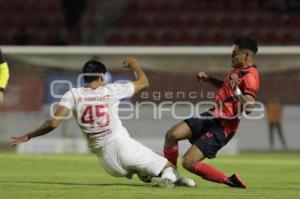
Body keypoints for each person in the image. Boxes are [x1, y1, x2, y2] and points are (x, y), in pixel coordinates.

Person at [9, 58, 195, 188]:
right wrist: (135, 64)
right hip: (123, 146)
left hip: (107, 163)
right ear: (102, 77)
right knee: (168, 166)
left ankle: (170, 179)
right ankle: (171, 179)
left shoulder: (72, 94)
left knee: (143, 170)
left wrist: (29, 135)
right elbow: (144, 82)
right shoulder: (111, 90)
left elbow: (53, 123)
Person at [163, 36, 260, 188]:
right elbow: (226, 87)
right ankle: (170, 174)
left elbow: (249, 108)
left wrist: (236, 90)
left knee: (189, 162)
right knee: (172, 134)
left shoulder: (251, 77)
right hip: (213, 115)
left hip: (225, 126)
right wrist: (210, 80)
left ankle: (230, 180)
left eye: (234, 53)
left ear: (246, 55)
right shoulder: (237, 70)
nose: (231, 55)